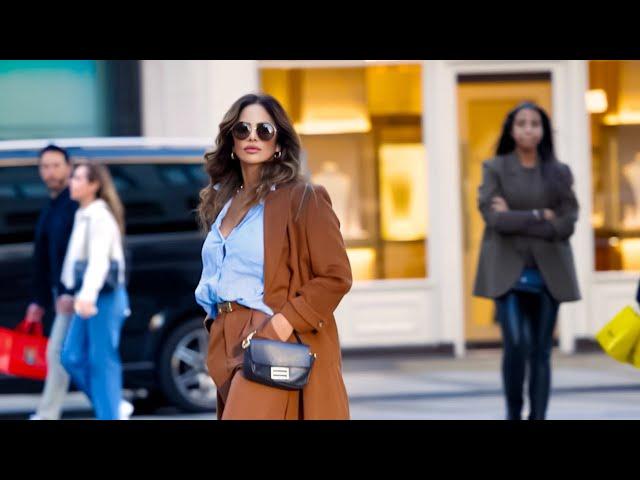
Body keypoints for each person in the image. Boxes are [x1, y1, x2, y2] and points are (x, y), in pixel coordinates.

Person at [196, 93, 353, 419]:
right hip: (224, 336)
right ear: (231, 141)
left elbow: (336, 276)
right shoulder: (222, 203)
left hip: (268, 334)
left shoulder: (302, 199)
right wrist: (215, 327)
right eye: (243, 129)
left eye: (264, 130)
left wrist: (282, 324)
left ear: (278, 142)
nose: (253, 136)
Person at [473, 102, 581, 420]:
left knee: (541, 351)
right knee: (517, 343)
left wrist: (516, 217)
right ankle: (513, 412)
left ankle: (538, 416)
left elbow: (567, 222)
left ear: (543, 130)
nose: (528, 129)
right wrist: (538, 216)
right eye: (522, 123)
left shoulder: (559, 172)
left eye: (535, 123)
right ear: (511, 129)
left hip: (549, 272)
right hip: (506, 270)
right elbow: (493, 218)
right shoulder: (495, 167)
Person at [59, 162, 132, 420]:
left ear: (94, 185)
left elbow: (99, 261)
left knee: (102, 362)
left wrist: (86, 296)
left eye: (78, 178)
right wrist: (71, 292)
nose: (72, 183)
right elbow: (75, 261)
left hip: (104, 297)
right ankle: (115, 405)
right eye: (73, 178)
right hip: (86, 295)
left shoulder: (99, 216)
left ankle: (110, 412)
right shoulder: (83, 213)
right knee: (70, 356)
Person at [26, 145, 78, 420]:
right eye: (45, 166)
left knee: (60, 352)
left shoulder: (76, 204)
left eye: (56, 165)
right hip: (63, 294)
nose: (51, 171)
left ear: (68, 167)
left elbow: (77, 255)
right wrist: (39, 299)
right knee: (72, 355)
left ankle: (47, 413)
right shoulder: (51, 207)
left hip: (80, 295)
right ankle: (113, 404)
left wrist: (69, 292)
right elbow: (43, 258)